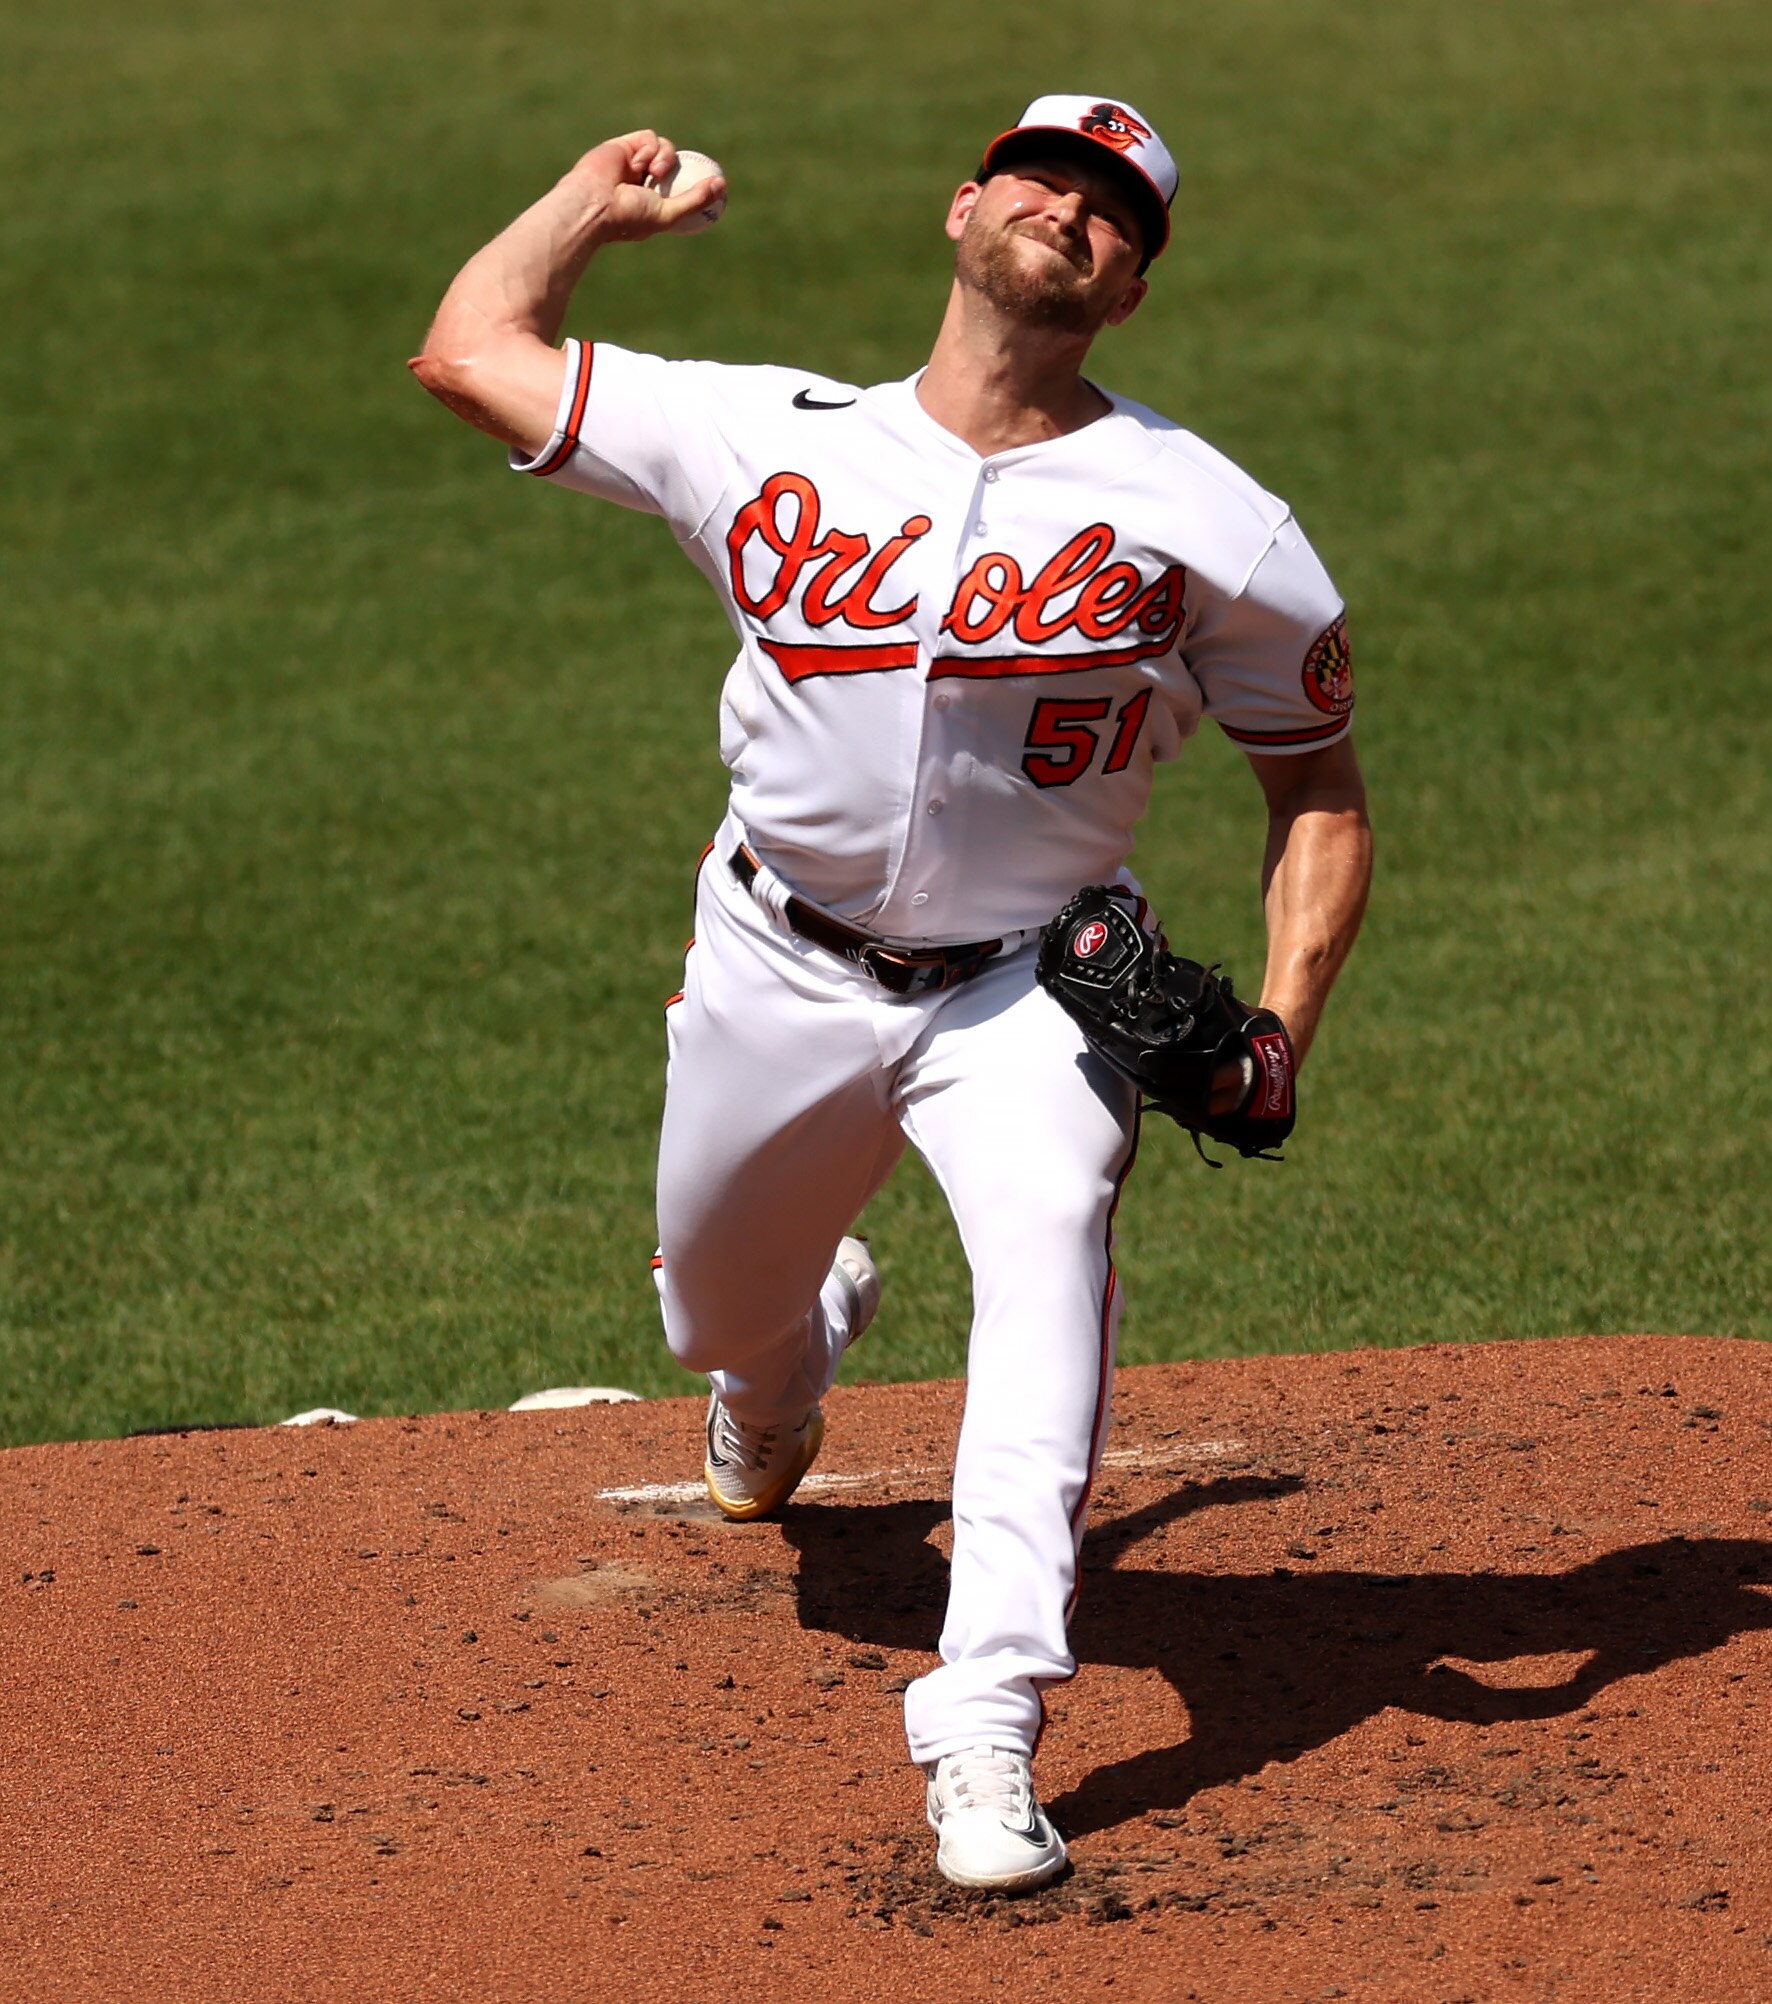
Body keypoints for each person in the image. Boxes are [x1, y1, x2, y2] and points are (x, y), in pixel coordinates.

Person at [409, 98, 1372, 1891]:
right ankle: (784, 1363)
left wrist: (1281, 1043)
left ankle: (988, 1725)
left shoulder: (1213, 524)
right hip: (775, 957)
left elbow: (1317, 788)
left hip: (1036, 993)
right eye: (1041, 179)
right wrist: (588, 206)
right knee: (715, 1308)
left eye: (1112, 213)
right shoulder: (769, 435)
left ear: (1135, 286)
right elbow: (471, 351)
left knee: (1050, 1256)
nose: (1067, 215)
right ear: (961, 211)